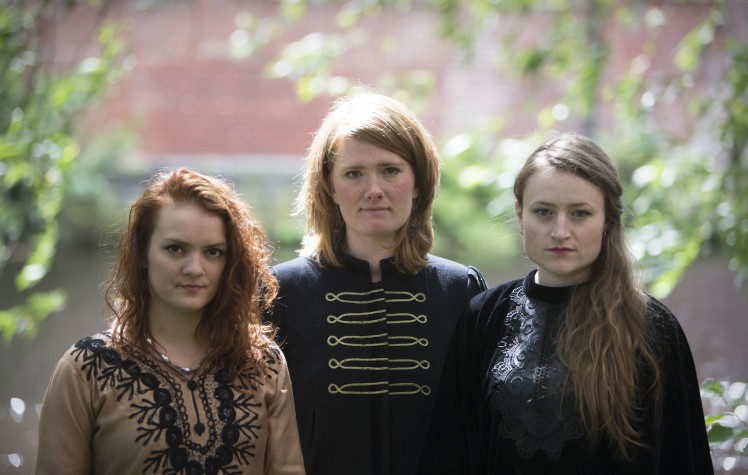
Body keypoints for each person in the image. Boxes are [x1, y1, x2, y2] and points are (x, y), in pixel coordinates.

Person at [416, 133, 713, 474]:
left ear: (607, 221)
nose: (560, 231)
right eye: (543, 212)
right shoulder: (483, 316)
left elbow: (683, 459)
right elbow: (450, 454)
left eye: (580, 214)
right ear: (520, 214)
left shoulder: (651, 328)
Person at [266, 92, 487, 474]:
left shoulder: (460, 291)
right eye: (354, 173)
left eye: (390, 170)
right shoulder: (280, 293)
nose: (374, 190)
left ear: (418, 182)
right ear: (330, 187)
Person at [36, 168, 305, 474]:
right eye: (175, 249)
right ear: (142, 254)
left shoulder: (264, 364)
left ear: (230, 262)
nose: (194, 268)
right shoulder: (86, 370)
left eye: (213, 252)